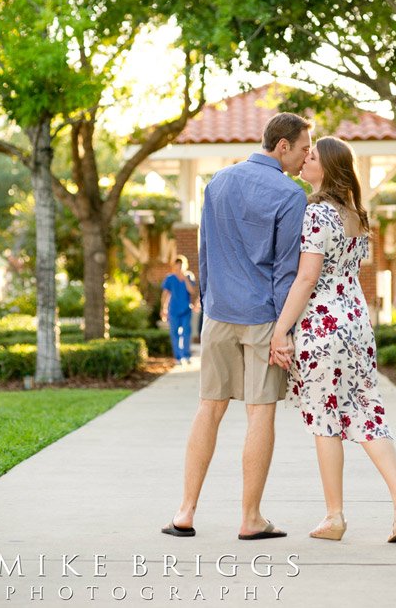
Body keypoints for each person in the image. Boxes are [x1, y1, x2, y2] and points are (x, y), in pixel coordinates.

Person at [162, 112, 312, 539]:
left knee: (208, 408)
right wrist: (284, 331)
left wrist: (210, 303)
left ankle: (185, 512)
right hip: (263, 319)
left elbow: (204, 253)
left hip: (219, 315)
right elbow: (286, 274)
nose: (305, 158)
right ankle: (250, 519)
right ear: (282, 146)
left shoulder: (218, 183)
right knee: (259, 413)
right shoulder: (290, 194)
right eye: (303, 150)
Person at [270, 137, 396, 543]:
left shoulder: (317, 213)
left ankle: (334, 517)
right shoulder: (355, 214)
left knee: (324, 418)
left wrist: (281, 329)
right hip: (356, 321)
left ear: (329, 168)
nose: (305, 160)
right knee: (365, 409)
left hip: (323, 324)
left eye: (313, 157)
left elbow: (306, 278)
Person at [161, 256, 197, 364]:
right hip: (173, 310)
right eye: (177, 266)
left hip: (186, 310)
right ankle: (178, 357)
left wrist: (185, 279)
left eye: (181, 265)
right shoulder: (170, 278)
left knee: (186, 333)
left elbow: (192, 291)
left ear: (184, 266)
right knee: (174, 333)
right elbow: (165, 295)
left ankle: (186, 355)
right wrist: (163, 309)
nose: (178, 268)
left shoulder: (189, 276)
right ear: (174, 266)